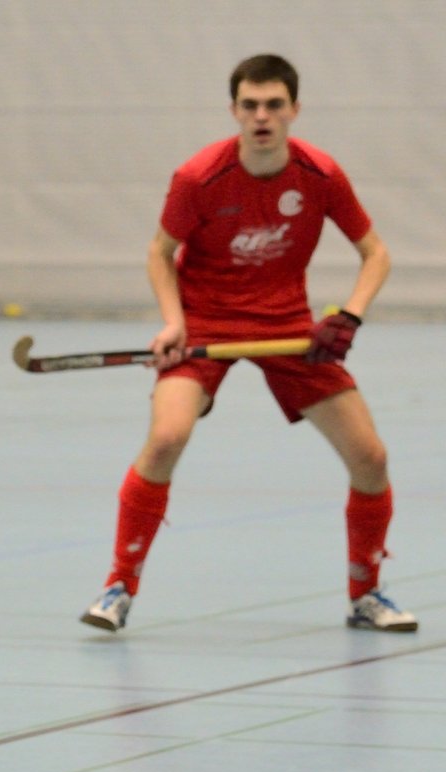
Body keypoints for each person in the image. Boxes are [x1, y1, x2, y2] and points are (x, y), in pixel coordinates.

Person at [83, 53, 412, 634]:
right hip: (204, 324)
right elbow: (160, 252)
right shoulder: (198, 178)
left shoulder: (320, 175)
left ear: (294, 110)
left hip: (287, 330)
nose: (262, 116)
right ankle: (118, 586)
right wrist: (173, 322)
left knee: (371, 458)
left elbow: (376, 254)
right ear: (234, 111)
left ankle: (365, 594)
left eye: (274, 105)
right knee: (166, 438)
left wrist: (350, 317)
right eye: (251, 105)